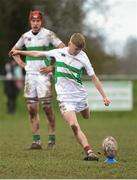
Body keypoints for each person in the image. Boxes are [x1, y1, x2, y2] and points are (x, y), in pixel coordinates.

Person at [11, 33, 110, 161]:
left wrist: (104, 96)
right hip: (65, 98)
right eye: (75, 49)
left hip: (79, 95)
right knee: (74, 125)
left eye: (79, 50)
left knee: (86, 116)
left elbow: (94, 78)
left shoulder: (83, 57)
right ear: (69, 44)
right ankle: (89, 152)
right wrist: (19, 51)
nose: (77, 52)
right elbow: (37, 54)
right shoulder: (59, 52)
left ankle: (84, 109)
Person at [9, 10, 65, 149]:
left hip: (44, 75)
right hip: (30, 76)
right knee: (32, 109)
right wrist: (23, 65)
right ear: (30, 21)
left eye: (38, 21)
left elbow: (64, 50)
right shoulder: (25, 37)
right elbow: (13, 52)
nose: (35, 23)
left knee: (46, 107)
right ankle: (36, 141)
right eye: (33, 21)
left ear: (41, 21)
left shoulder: (49, 34)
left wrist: (52, 67)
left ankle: (51, 140)